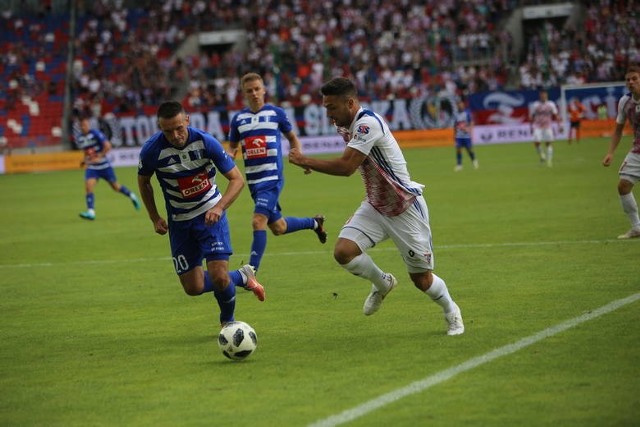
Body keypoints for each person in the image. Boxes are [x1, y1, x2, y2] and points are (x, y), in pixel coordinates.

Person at [289, 77, 464, 336]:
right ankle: (383, 283)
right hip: (375, 205)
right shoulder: (345, 124)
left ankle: (452, 312)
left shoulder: (367, 124)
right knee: (343, 252)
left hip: (404, 207)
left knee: (422, 280)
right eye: (325, 107)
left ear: (350, 103)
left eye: (332, 107)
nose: (329, 114)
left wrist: (306, 160)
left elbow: (347, 167)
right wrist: (310, 162)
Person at [137, 101, 265, 327]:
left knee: (218, 275)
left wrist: (219, 207)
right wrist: (154, 217)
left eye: (179, 128)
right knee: (193, 288)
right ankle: (242, 276)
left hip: (210, 216)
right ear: (160, 128)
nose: (175, 135)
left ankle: (228, 322)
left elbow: (237, 180)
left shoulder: (206, 142)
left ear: (187, 120)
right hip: (180, 223)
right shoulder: (151, 150)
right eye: (168, 131)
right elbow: (144, 182)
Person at [227, 72, 327, 273]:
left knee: (257, 221)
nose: (254, 93)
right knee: (278, 227)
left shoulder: (276, 113)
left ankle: (251, 273)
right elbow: (232, 147)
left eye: (257, 89)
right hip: (254, 182)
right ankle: (314, 223)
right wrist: (228, 156)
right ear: (244, 94)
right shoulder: (239, 120)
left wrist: (301, 158)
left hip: (272, 178)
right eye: (249, 91)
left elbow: (292, 137)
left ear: (264, 90)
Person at [75, 116, 140, 220]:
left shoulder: (95, 134)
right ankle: (91, 212)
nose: (83, 127)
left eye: (85, 125)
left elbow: (107, 145)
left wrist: (99, 157)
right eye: (81, 125)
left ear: (88, 125)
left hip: (104, 166)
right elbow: (87, 151)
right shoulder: (80, 138)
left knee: (116, 187)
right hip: (92, 167)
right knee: (88, 187)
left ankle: (132, 195)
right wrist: (85, 160)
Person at [602, 65, 640, 240]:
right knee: (623, 186)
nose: (631, 82)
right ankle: (637, 227)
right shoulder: (625, 102)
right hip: (637, 149)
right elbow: (618, 129)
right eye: (628, 80)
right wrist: (611, 152)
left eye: (634, 78)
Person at [529, 89, 562, 167]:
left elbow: (556, 115)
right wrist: (531, 127)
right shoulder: (535, 105)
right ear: (540, 96)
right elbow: (531, 116)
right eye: (542, 95)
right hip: (537, 126)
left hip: (548, 126)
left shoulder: (551, 104)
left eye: (544, 95)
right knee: (536, 142)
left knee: (548, 143)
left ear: (547, 95)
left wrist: (560, 126)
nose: (543, 96)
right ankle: (542, 156)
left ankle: (549, 161)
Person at [453, 98, 478, 172]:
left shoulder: (467, 113)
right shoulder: (456, 114)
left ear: (463, 105)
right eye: (459, 105)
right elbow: (455, 125)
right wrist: (454, 134)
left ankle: (474, 161)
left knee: (469, 149)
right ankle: (459, 165)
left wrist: (469, 129)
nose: (460, 106)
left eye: (461, 104)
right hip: (458, 136)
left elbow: (471, 122)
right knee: (458, 150)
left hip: (466, 136)